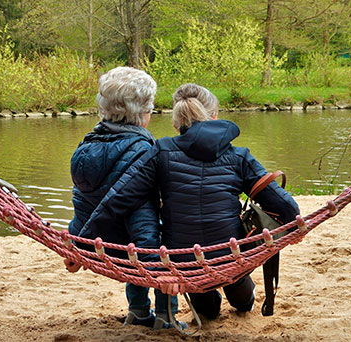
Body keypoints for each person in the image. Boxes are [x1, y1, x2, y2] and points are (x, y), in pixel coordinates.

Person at [79, 83, 300, 319]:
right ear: (214, 116)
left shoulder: (160, 151)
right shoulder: (239, 156)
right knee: (240, 291)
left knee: (208, 311)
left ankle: (218, 296)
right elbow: (284, 205)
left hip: (185, 263)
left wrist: (81, 244)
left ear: (176, 122)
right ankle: (242, 296)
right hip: (231, 255)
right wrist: (295, 226)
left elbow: (120, 198)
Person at [66, 66, 183, 330]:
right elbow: (144, 219)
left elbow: (83, 204)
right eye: (150, 108)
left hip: (99, 243)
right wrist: (159, 271)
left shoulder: (85, 146)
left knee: (134, 239)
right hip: (131, 248)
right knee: (168, 234)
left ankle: (138, 311)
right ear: (142, 113)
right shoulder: (144, 152)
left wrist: (76, 244)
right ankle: (166, 316)